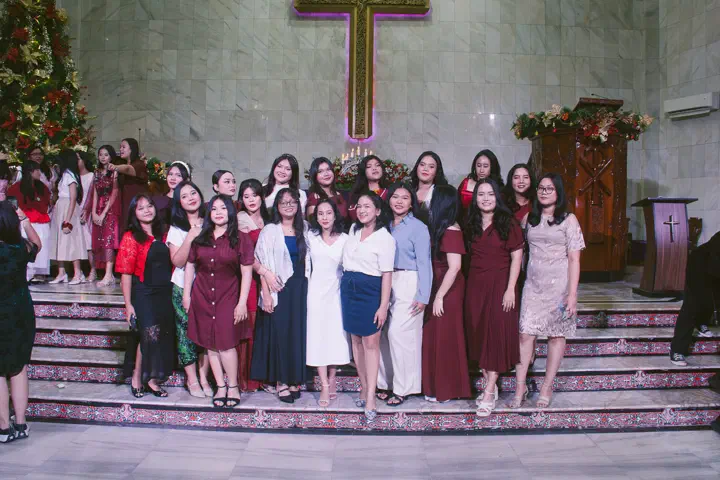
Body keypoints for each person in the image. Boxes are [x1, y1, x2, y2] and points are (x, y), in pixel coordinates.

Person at [510, 173, 585, 409]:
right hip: (533, 286)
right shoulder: (529, 219)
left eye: (549, 189)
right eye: (541, 188)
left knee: (556, 335)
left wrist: (572, 294)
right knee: (525, 334)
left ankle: (547, 386)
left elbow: (574, 259)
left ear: (558, 192)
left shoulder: (569, 220)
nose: (544, 192)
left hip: (559, 287)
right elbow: (520, 252)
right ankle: (520, 387)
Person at [184, 195, 254, 408]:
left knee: (226, 343)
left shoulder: (240, 238)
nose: (218, 212)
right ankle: (220, 387)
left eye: (223, 208)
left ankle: (233, 386)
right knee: (210, 345)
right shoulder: (200, 237)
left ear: (230, 211)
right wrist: (187, 295)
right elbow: (190, 266)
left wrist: (242, 302)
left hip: (228, 296)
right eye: (214, 209)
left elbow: (247, 272)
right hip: (202, 296)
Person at [464, 179, 524, 416]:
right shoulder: (470, 223)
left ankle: (489, 391)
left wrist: (510, 289)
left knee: (495, 335)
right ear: (475, 198)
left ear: (497, 197)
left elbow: (517, 258)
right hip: (475, 285)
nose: (486, 198)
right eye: (481, 194)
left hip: (501, 284)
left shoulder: (508, 222)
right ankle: (490, 383)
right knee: (478, 334)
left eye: (490, 194)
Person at [251, 188, 310, 403]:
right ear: (277, 206)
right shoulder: (270, 230)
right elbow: (257, 261)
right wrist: (266, 293)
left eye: (292, 201)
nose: (288, 205)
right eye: (284, 202)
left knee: (296, 334)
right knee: (280, 334)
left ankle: (294, 378)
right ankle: (281, 381)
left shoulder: (305, 228)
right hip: (278, 288)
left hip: (300, 288)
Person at [341, 192, 395, 421]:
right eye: (359, 206)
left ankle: (371, 395)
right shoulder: (353, 231)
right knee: (356, 341)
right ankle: (363, 387)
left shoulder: (385, 238)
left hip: (371, 291)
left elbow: (387, 274)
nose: (362, 210)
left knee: (371, 344)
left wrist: (383, 306)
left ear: (378, 211)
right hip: (349, 289)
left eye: (367, 206)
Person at [377, 184, 432, 407]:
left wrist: (424, 295)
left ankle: (403, 388)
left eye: (405, 198)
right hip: (385, 280)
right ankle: (385, 382)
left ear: (411, 203)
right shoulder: (384, 225)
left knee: (399, 334)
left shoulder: (419, 227)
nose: (399, 201)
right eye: (395, 197)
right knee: (383, 334)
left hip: (409, 281)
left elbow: (425, 263)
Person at [115, 195, 175, 398]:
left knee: (159, 335)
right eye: (141, 208)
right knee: (149, 333)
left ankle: (151, 380)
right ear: (134, 213)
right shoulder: (131, 237)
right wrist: (128, 305)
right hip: (144, 292)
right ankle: (137, 376)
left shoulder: (164, 233)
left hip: (165, 293)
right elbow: (125, 274)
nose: (147, 210)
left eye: (150, 206)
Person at [421, 185, 471, 403]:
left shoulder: (451, 229)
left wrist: (440, 296)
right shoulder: (440, 227)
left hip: (448, 289)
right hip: (439, 285)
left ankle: (447, 388)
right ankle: (434, 386)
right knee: (436, 335)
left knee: (445, 336)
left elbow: (455, 267)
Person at [0, 202, 42, 443]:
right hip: (21, 312)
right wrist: (25, 221)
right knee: (18, 368)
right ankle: (21, 423)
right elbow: (38, 244)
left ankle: (4, 428)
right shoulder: (21, 248)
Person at [166, 181, 212, 398]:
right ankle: (192, 379)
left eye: (193, 193)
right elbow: (177, 261)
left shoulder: (211, 220)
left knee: (208, 333)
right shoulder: (176, 228)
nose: (191, 198)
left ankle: (204, 377)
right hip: (183, 286)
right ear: (179, 203)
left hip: (209, 285)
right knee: (185, 332)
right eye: (184, 196)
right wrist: (190, 236)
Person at [306, 198, 350, 406]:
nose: (324, 217)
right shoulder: (310, 237)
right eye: (320, 213)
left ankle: (332, 378)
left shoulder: (346, 239)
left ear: (335, 215)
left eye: (328, 213)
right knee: (318, 338)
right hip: (315, 293)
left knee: (335, 337)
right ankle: (323, 384)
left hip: (337, 293)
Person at [236, 179, 274, 393]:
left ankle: (265, 376)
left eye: (255, 195)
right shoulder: (240, 220)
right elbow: (245, 256)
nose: (251, 200)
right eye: (246, 196)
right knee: (250, 327)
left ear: (262, 196)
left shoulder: (269, 219)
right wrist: (264, 273)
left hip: (270, 278)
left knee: (266, 328)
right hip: (250, 279)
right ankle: (248, 379)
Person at [669, 232, 720, 366]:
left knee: (712, 299)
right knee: (692, 305)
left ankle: (701, 321)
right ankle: (677, 349)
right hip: (700, 265)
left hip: (715, 268)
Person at [7, 162, 51, 283]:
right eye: (37, 170)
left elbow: (47, 202)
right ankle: (27, 273)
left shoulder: (42, 187)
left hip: (41, 220)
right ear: (31, 171)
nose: (39, 173)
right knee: (28, 245)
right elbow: (12, 203)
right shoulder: (16, 187)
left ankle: (38, 274)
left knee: (43, 244)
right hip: (26, 221)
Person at [48, 150, 88, 284]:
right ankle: (61, 273)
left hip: (68, 209)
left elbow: (73, 198)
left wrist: (68, 219)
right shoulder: (63, 175)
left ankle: (78, 273)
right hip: (60, 207)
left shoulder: (70, 175)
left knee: (72, 241)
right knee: (59, 240)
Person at [85, 145, 121, 287]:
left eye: (106, 155)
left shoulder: (114, 172)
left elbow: (114, 193)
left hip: (110, 209)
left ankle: (108, 274)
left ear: (111, 156)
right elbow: (94, 193)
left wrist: (104, 212)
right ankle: (104, 273)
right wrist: (94, 212)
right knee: (98, 240)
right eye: (101, 154)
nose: (103, 157)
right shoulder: (96, 172)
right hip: (98, 209)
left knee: (109, 241)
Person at [108, 138, 148, 229]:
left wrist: (115, 167)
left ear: (131, 149)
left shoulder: (139, 164)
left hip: (137, 204)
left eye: (123, 147)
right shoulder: (122, 164)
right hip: (125, 203)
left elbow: (128, 169)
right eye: (120, 147)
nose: (120, 149)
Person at [458, 149, 505, 222]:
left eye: (485, 166)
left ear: (492, 167)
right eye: (479, 165)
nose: (481, 170)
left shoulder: (498, 187)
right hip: (464, 223)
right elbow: (456, 206)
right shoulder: (466, 183)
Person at [409, 151, 448, 223]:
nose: (425, 169)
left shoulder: (441, 194)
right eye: (422, 165)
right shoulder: (408, 190)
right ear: (417, 167)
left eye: (431, 167)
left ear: (437, 171)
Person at [305, 157, 348, 224]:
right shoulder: (314, 198)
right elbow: (314, 225)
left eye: (328, 169)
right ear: (315, 176)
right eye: (320, 171)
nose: (326, 174)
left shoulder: (341, 194)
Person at [348, 155, 389, 222]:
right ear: (363, 171)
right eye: (369, 166)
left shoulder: (389, 193)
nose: (374, 168)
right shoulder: (356, 194)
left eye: (377, 165)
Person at [77, 151, 98, 283]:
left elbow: (93, 196)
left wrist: (87, 210)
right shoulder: (74, 176)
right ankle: (77, 271)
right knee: (76, 243)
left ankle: (93, 270)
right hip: (75, 211)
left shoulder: (91, 176)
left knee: (89, 243)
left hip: (88, 212)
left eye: (78, 159)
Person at [153, 161, 190, 225]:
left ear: (186, 179)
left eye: (178, 175)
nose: (173, 178)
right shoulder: (158, 199)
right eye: (170, 174)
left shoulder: (188, 202)